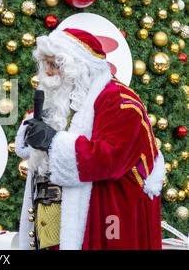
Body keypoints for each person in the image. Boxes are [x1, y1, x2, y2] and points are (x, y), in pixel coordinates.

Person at [17, 28, 164, 250]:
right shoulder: (61, 98)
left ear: (80, 68)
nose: (47, 72)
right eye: (44, 64)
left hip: (104, 217)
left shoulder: (119, 100)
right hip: (51, 221)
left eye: (55, 65)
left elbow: (110, 158)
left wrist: (52, 141)